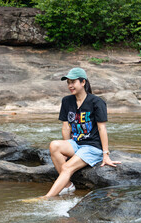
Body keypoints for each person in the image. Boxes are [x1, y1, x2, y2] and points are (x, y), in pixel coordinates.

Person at [44, 67, 121, 198]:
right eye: (68, 82)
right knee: (54, 145)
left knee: (67, 167)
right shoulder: (67, 101)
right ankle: (68, 185)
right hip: (76, 144)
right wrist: (66, 148)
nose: (70, 85)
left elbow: (102, 128)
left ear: (83, 82)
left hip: (92, 147)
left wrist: (105, 154)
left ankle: (46, 198)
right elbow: (66, 127)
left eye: (73, 82)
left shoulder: (97, 102)